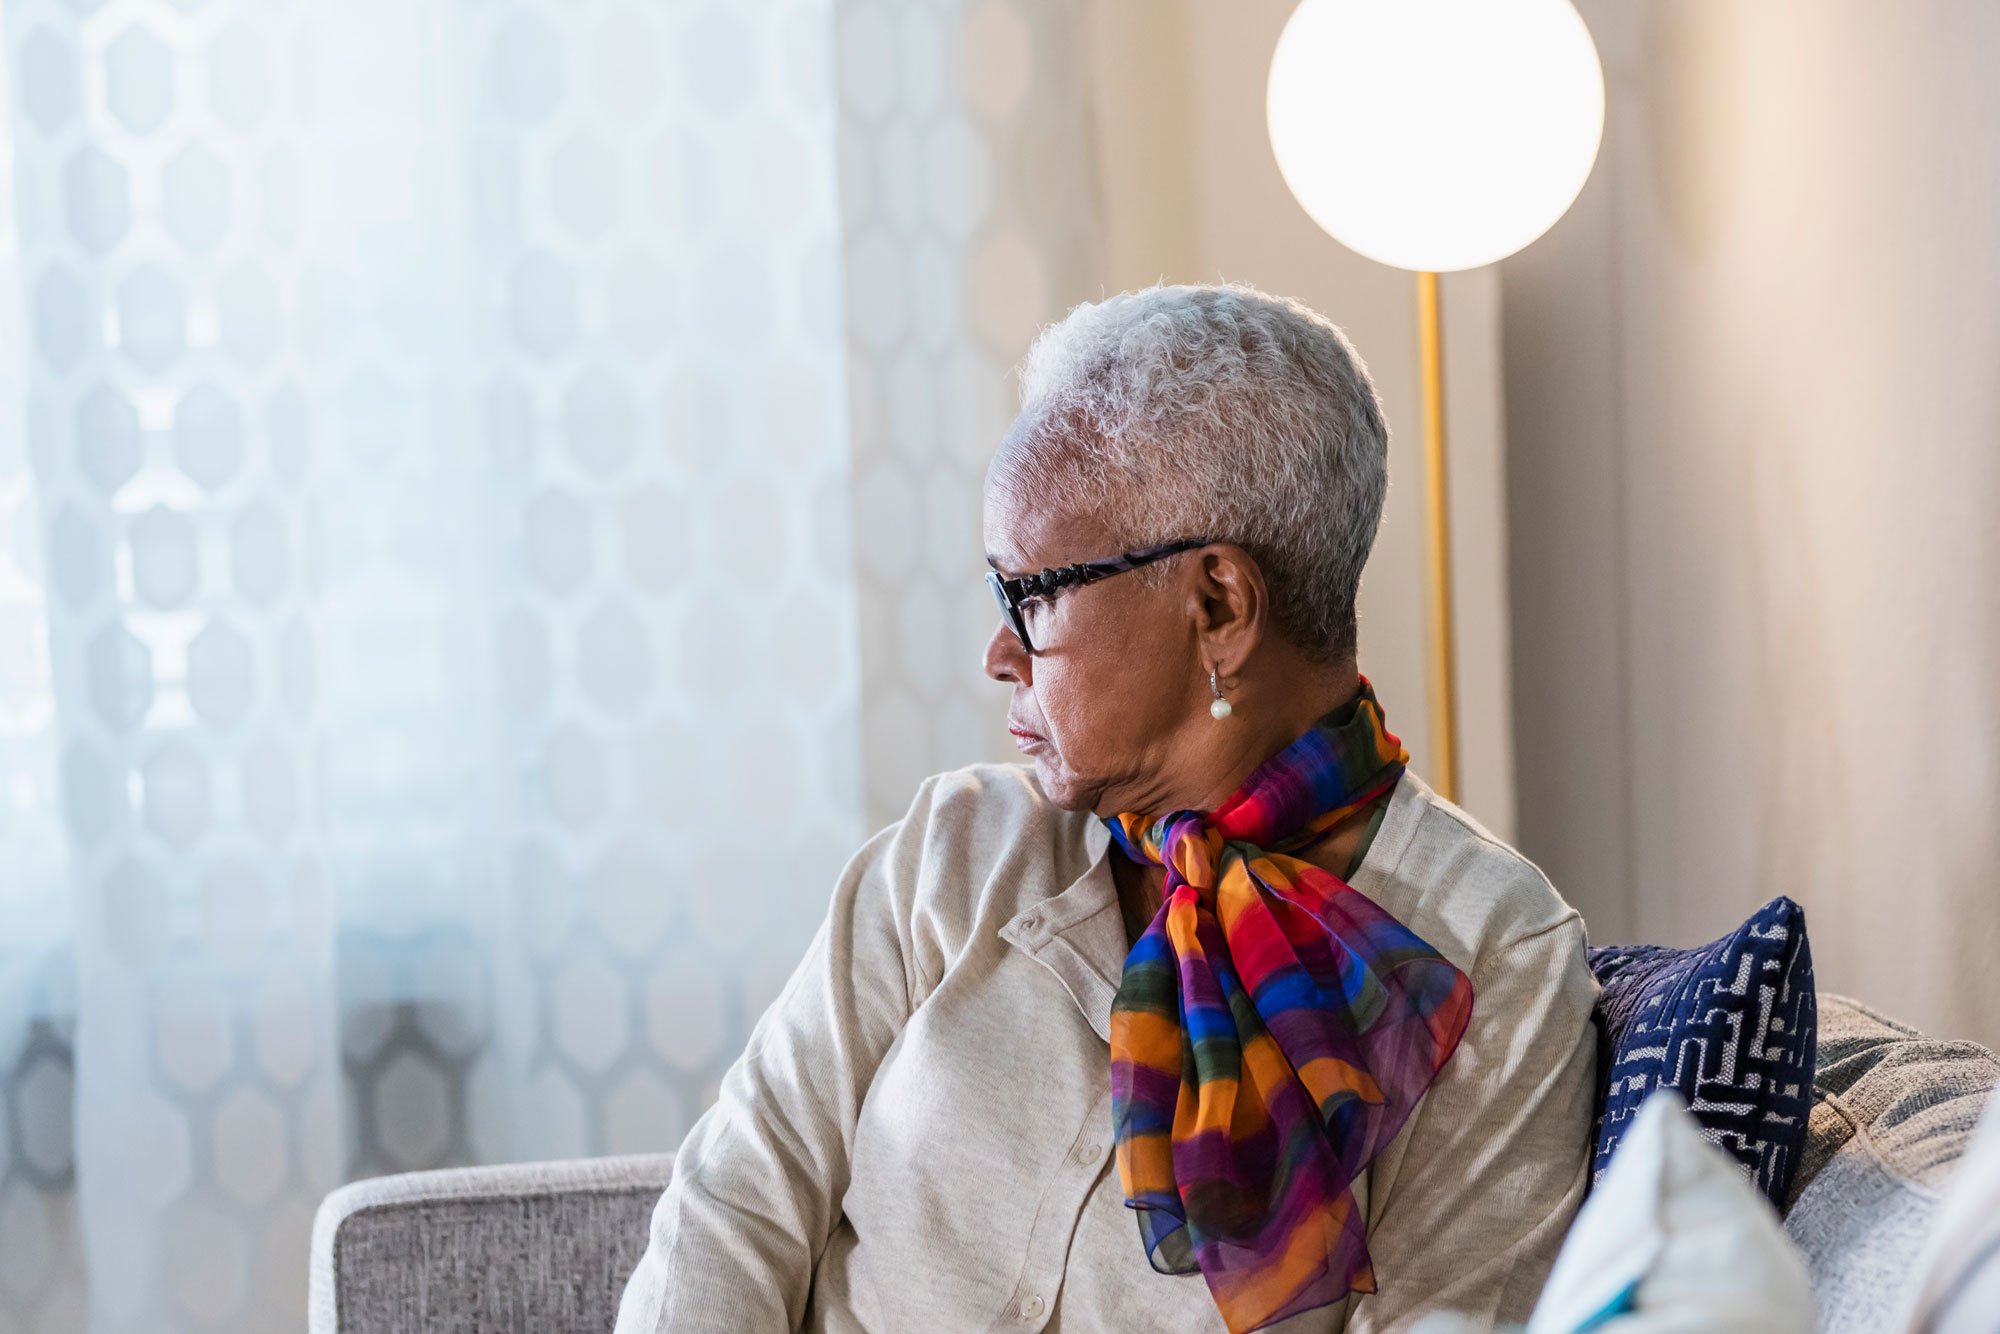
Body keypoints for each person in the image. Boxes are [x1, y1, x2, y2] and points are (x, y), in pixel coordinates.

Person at [615, 284, 1597, 1333]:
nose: (997, 653)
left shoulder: (1497, 957)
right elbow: (730, 1210)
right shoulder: (950, 852)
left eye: (1028, 597)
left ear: (1217, 604)